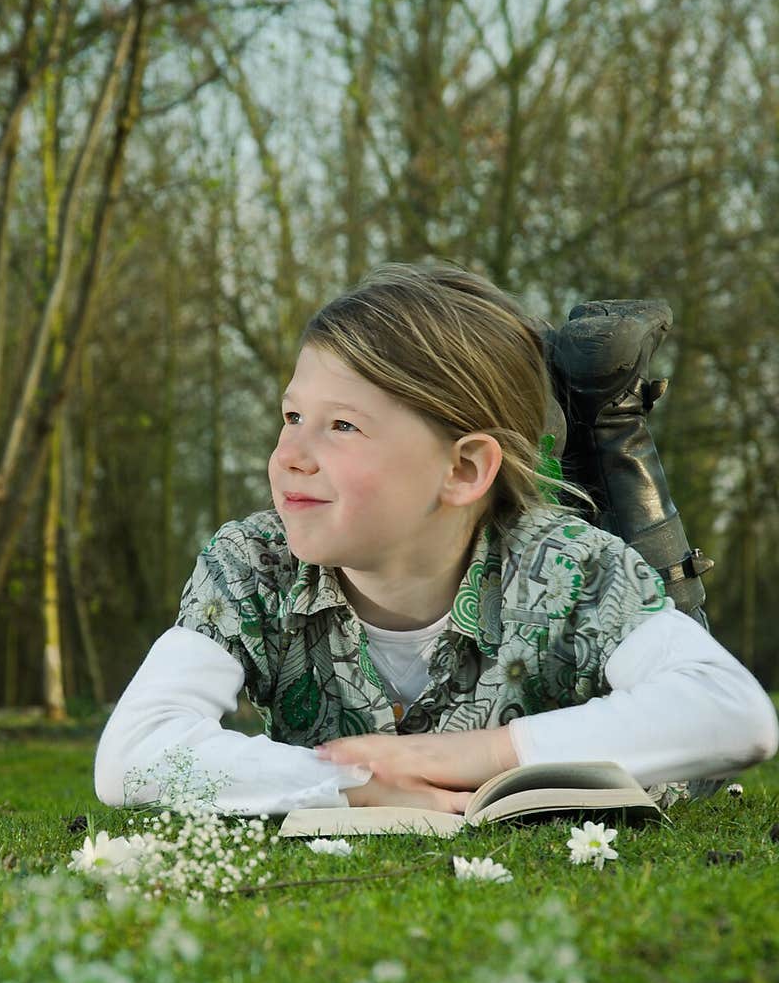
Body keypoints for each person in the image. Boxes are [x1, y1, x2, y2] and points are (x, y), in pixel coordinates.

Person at [94, 261, 778, 817]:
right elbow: (133, 752)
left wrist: (487, 753)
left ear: (460, 467)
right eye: (293, 414)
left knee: (645, 582)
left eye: (342, 427)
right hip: (492, 518)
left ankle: (607, 420)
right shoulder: (251, 564)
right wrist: (350, 782)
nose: (288, 454)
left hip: (561, 583)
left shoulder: (566, 566)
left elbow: (732, 714)